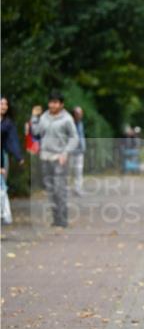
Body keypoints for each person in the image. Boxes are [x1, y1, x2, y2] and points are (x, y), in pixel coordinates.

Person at [31, 90, 79, 228]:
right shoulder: (44, 116)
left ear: (61, 104)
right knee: (50, 189)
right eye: (51, 102)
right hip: (45, 157)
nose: (52, 105)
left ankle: (62, 220)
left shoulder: (67, 119)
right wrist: (34, 117)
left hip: (59, 158)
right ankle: (55, 218)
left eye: (55, 102)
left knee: (60, 189)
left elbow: (74, 138)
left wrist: (66, 152)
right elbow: (36, 132)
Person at [1, 96, 24, 225]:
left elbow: (13, 141)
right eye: (1, 104)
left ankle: (5, 215)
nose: (4, 106)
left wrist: (18, 156)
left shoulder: (8, 124)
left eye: (6, 104)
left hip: (2, 157)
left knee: (1, 186)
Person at [69, 107, 86, 195]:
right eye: (78, 113)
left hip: (80, 150)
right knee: (69, 170)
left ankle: (78, 189)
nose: (80, 115)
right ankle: (66, 189)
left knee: (79, 170)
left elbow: (81, 136)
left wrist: (83, 147)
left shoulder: (80, 123)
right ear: (74, 114)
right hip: (70, 150)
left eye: (81, 113)